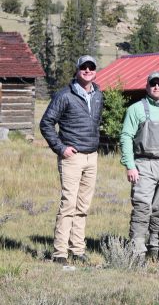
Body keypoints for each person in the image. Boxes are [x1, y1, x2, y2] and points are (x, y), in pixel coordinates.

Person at [40, 55, 104, 265]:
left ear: (95, 71)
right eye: (84, 67)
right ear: (77, 70)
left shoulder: (98, 95)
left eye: (91, 67)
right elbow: (46, 123)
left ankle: (77, 249)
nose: (87, 70)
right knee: (68, 204)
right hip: (72, 158)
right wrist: (60, 148)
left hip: (92, 157)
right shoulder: (64, 95)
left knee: (83, 206)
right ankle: (60, 252)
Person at [119, 71, 159, 262]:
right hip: (143, 164)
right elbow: (126, 137)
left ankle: (156, 247)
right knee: (142, 208)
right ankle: (137, 250)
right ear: (147, 87)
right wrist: (130, 165)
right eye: (153, 84)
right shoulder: (135, 109)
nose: (156, 87)